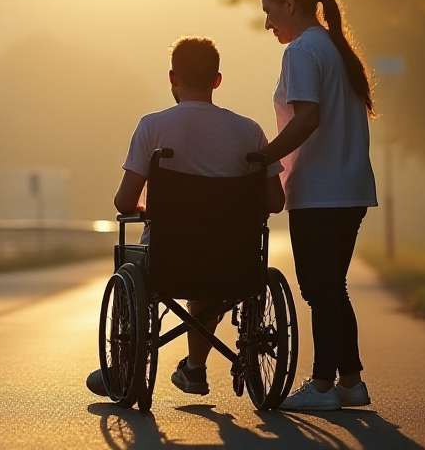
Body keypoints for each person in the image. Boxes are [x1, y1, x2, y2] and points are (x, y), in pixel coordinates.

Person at [86, 36, 285, 397]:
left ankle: (124, 368)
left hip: (168, 258)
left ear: (172, 78)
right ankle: (194, 369)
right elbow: (275, 201)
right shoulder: (250, 132)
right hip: (233, 260)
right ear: (217, 80)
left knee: (141, 258)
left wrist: (144, 209)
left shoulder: (153, 127)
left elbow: (124, 201)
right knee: (211, 277)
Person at [257, 0, 378, 411]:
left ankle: (323, 384)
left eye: (270, 12)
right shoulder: (331, 47)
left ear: (290, 3)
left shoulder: (303, 51)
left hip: (321, 190)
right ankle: (351, 380)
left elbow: (307, 118)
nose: (268, 24)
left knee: (320, 288)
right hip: (349, 187)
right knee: (332, 286)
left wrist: (264, 156)